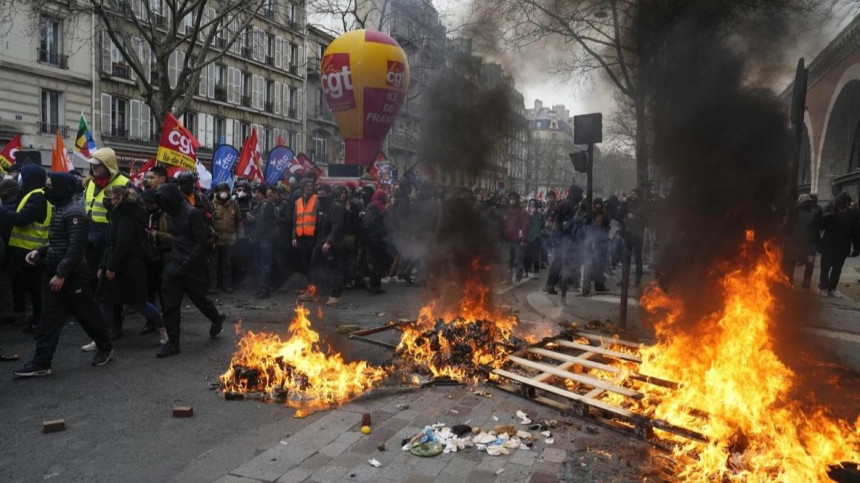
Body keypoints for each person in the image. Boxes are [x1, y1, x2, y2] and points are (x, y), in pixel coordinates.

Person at [13, 173, 113, 377]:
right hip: (54, 272)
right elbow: (59, 242)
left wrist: (61, 274)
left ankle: (105, 347)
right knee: (48, 320)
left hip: (72, 276)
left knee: (87, 315)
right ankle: (42, 362)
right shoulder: (61, 210)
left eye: (50, 186)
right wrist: (40, 252)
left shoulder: (75, 213)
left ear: (61, 188)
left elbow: (76, 248)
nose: (46, 189)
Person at [83, 186, 165, 350]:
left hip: (129, 268)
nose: (107, 201)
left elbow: (123, 245)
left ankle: (164, 328)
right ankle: (102, 338)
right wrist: (103, 265)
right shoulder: (116, 215)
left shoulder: (126, 217)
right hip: (116, 265)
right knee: (104, 300)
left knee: (138, 303)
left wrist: (111, 266)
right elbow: (110, 244)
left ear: (119, 199)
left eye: (110, 197)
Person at [154, 183, 226, 358]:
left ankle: (217, 320)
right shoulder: (169, 214)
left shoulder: (192, 213)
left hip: (193, 265)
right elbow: (176, 238)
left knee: (200, 300)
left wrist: (187, 262)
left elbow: (201, 242)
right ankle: (173, 343)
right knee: (170, 305)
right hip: (175, 263)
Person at [84, 148, 130, 336]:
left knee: (112, 287)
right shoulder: (90, 183)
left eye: (98, 165)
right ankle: (101, 323)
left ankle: (115, 326)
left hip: (111, 241)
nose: (94, 169)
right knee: (95, 285)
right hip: (91, 241)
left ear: (108, 165)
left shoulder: (125, 184)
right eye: (92, 165)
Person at [0, 165, 50, 333]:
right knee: (32, 290)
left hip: (32, 251)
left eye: (23, 176)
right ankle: (37, 321)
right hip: (26, 250)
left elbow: (22, 219)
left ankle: (40, 323)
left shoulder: (37, 197)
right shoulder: (32, 194)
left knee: (36, 291)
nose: (20, 179)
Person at [305, 184, 344, 306]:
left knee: (333, 269)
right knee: (314, 266)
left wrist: (329, 242)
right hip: (320, 241)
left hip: (331, 243)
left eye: (322, 195)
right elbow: (319, 225)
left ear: (328, 194)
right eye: (319, 194)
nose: (320, 197)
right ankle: (312, 291)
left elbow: (337, 227)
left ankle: (336, 296)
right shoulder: (321, 207)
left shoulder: (335, 207)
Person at [140, 188, 172, 335]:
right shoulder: (143, 215)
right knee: (148, 292)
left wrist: (156, 234)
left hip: (163, 258)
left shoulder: (166, 216)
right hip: (147, 259)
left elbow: (174, 237)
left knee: (164, 292)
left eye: (148, 203)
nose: (145, 205)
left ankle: (169, 321)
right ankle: (151, 321)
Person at [817, 192, 860, 297]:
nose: (843, 204)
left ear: (848, 203)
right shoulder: (831, 214)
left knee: (837, 269)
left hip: (842, 247)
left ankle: (832, 289)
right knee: (825, 268)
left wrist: (856, 248)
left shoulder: (852, 216)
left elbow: (856, 233)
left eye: (845, 202)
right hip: (828, 245)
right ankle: (824, 287)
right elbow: (819, 227)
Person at [210, 182, 240, 293]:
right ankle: (213, 286)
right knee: (214, 264)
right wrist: (211, 238)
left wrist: (239, 236)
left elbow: (238, 221)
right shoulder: (212, 205)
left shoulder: (234, 204)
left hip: (230, 239)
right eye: (221, 191)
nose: (224, 193)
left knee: (227, 264)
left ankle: (227, 285)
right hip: (216, 240)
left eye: (226, 191)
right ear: (217, 193)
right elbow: (209, 222)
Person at [247, 185, 276, 298]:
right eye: (255, 193)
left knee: (265, 265)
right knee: (258, 264)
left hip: (266, 239)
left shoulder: (268, 205)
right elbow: (254, 225)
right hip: (257, 239)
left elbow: (267, 223)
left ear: (262, 194)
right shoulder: (256, 206)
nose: (256, 195)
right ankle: (261, 287)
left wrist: (254, 219)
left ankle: (265, 289)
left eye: (257, 193)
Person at [788, 194, 820, 290]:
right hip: (809, 246)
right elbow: (819, 228)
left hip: (798, 245)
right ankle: (805, 286)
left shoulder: (794, 213)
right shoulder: (815, 213)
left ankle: (789, 283)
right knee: (809, 266)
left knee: (791, 264)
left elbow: (788, 228)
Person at [618, 188, 648, 287]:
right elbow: (621, 213)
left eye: (634, 194)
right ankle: (625, 279)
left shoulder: (644, 205)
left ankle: (637, 280)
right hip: (628, 233)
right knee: (626, 257)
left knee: (638, 257)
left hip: (637, 234)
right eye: (631, 194)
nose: (632, 195)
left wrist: (635, 218)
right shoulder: (629, 203)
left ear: (638, 195)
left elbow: (646, 220)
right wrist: (624, 201)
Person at [293, 179, 318, 293]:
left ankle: (312, 287)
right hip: (301, 236)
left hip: (312, 236)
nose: (309, 188)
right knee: (303, 263)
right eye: (307, 186)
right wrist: (294, 236)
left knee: (312, 263)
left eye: (311, 186)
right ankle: (304, 286)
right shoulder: (297, 202)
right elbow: (295, 221)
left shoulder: (316, 199)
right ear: (302, 187)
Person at [362, 190, 388, 294]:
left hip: (370, 238)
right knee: (378, 263)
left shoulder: (369, 206)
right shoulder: (381, 208)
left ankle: (374, 284)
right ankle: (373, 282)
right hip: (379, 238)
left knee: (373, 261)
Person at [503, 192, 529, 284]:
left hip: (518, 240)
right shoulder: (508, 211)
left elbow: (525, 226)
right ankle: (508, 278)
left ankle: (518, 278)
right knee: (507, 260)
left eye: (513, 198)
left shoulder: (523, 212)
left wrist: (523, 239)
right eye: (510, 198)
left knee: (518, 260)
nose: (512, 201)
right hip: (508, 239)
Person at [524, 199, 545, 277]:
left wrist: (541, 232)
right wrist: (530, 215)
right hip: (528, 237)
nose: (532, 205)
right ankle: (526, 270)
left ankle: (536, 272)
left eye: (533, 204)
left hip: (537, 237)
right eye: (531, 204)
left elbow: (543, 225)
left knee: (536, 256)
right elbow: (525, 225)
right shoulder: (526, 214)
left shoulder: (540, 214)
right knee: (527, 255)